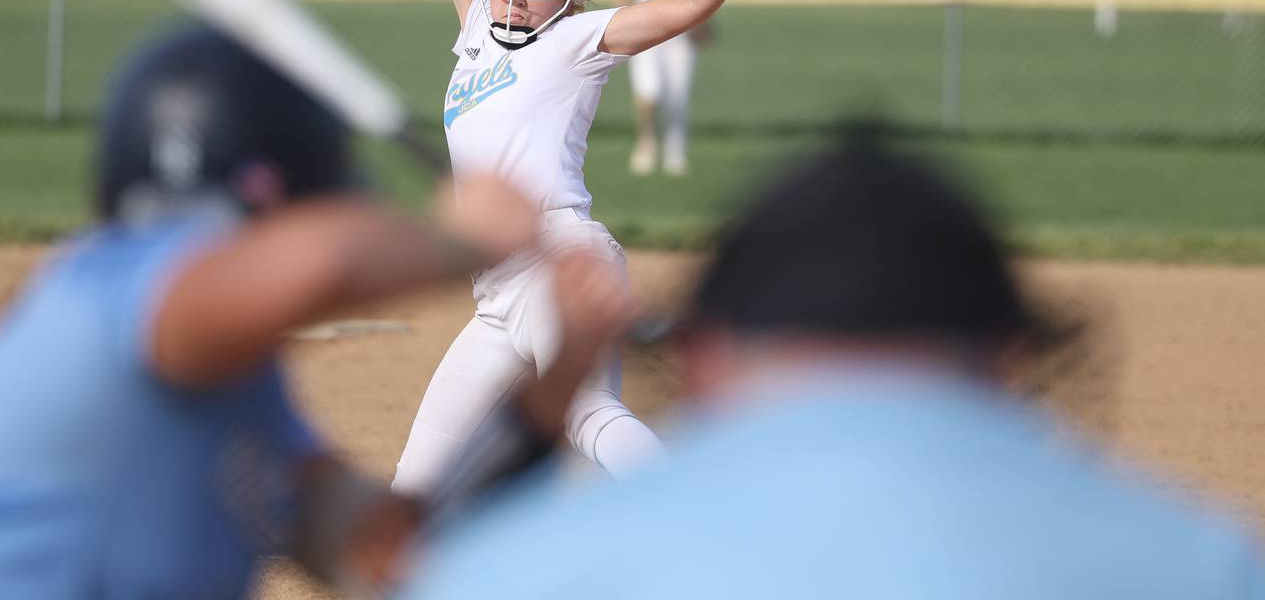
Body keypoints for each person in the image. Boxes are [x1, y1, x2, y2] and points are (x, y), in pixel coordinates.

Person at [0, 25, 635, 599]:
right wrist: (460, 237)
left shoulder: (251, 415)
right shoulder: (103, 290)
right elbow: (315, 262)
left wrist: (548, 394)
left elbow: (394, 554)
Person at [400, 132, 1265, 600]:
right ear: (1013, 360)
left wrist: (545, 403)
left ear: (703, 360)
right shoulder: (1209, 561)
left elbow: (434, 568)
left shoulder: (550, 567)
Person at [392, 0, 867, 501]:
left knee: (587, 417)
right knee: (414, 486)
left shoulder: (577, 37)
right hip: (496, 296)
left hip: (559, 258)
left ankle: (711, 508)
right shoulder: (478, 26)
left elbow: (684, 5)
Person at [619, 0, 711, 177]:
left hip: (680, 36)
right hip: (646, 34)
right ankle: (647, 141)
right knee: (650, 91)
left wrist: (704, 27)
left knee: (678, 96)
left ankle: (675, 152)